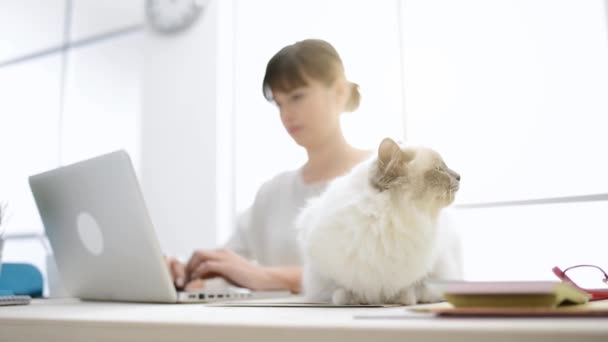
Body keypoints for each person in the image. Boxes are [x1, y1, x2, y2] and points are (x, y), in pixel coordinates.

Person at [166, 39, 370, 293]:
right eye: (279, 103)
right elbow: (225, 267)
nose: (286, 114)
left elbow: (385, 274)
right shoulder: (272, 193)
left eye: (297, 97)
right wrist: (186, 272)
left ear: (340, 92)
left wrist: (266, 277)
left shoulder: (384, 179)